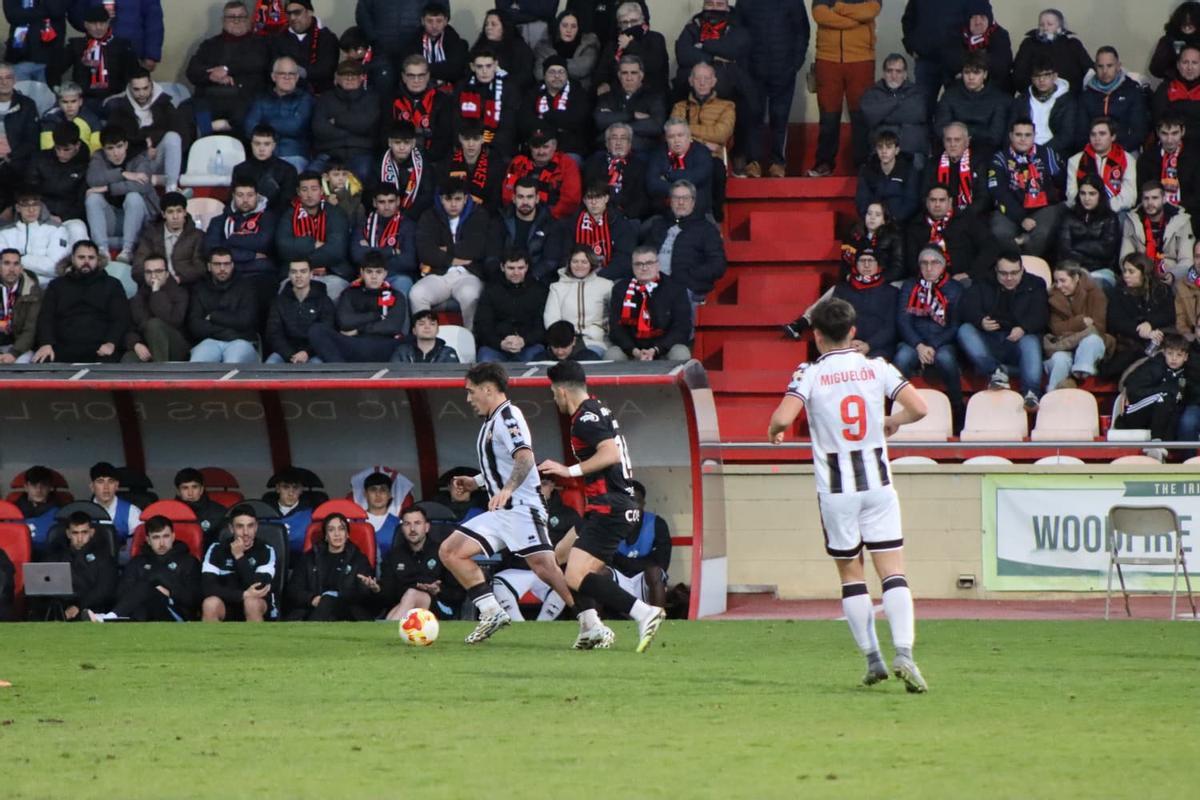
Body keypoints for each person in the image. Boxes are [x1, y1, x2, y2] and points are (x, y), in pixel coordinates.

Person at [767, 297, 929, 692]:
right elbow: (920, 408)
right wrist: (891, 421)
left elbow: (782, 417)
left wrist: (776, 432)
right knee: (893, 572)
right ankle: (904, 652)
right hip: (877, 485)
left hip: (837, 491)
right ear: (853, 332)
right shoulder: (876, 367)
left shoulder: (809, 372)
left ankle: (873, 659)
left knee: (851, 576)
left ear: (816, 335)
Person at [436, 362, 576, 643]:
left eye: (471, 391)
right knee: (450, 551)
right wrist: (476, 482)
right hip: (502, 512)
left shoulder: (509, 417)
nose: (468, 399)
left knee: (545, 569)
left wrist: (508, 490)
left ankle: (590, 618)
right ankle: (491, 611)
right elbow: (500, 466)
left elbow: (524, 458)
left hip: (524, 509)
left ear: (488, 389)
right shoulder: (492, 421)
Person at [536, 359, 667, 650]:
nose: (553, 397)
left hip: (610, 508)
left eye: (552, 391)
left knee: (576, 575)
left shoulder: (585, 417)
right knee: (558, 557)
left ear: (561, 391)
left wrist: (568, 471)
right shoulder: (597, 408)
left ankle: (644, 613)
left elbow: (609, 454)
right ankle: (590, 627)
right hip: (602, 506)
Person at [957, 247, 1050, 411]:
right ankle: (996, 372)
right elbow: (966, 307)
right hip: (989, 339)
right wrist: (980, 321)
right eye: (1004, 273)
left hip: (1018, 341)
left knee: (1030, 341)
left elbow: (1041, 315)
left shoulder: (1035, 284)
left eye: (1014, 273)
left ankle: (1031, 393)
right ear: (996, 271)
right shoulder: (983, 282)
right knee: (965, 330)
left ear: (1022, 270)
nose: (1009, 278)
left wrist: (1024, 328)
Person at [735, 0, 810, 177]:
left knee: (780, 118)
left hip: (783, 71)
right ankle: (753, 163)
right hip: (753, 71)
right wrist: (744, 65)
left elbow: (802, 32)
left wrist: (794, 64)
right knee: (753, 116)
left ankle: (778, 163)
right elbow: (738, 32)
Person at [895, 246, 966, 430]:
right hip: (914, 340)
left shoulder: (955, 288)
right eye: (924, 263)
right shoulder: (910, 286)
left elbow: (955, 325)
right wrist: (918, 345)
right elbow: (903, 320)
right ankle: (901, 408)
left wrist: (933, 345)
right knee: (901, 358)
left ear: (943, 266)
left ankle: (957, 407)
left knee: (946, 358)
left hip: (942, 340)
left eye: (934, 263)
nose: (929, 268)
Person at [808, 0, 880, 176]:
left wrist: (838, 8)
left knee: (861, 116)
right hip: (827, 59)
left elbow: (870, 10)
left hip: (861, 59)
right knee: (828, 116)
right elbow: (820, 15)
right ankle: (824, 163)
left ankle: (863, 164)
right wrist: (854, 19)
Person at [32, 240, 129, 364]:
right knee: (42, 360)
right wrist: (46, 343)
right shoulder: (57, 285)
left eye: (91, 258)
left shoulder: (112, 285)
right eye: (81, 257)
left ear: (97, 260)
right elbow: (46, 317)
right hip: (62, 347)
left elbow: (120, 318)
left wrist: (111, 343)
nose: (86, 262)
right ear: (72, 259)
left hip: (100, 349)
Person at [411, 178, 488, 330]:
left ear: (466, 199)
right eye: (448, 199)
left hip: (469, 274)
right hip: (438, 273)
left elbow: (477, 248)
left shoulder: (479, 214)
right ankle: (425, 341)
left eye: (458, 199)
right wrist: (455, 259)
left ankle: (471, 341)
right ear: (441, 199)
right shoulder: (429, 216)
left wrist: (446, 249)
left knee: (470, 295)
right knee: (417, 294)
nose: (453, 204)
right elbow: (425, 251)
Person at [92, 516, 200, 622]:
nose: (162, 543)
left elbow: (194, 598)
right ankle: (118, 619)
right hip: (142, 610)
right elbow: (121, 593)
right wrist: (152, 589)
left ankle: (111, 617)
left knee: (145, 586)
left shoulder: (189, 561)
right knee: (144, 597)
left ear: (173, 536)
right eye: (156, 537)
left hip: (176, 614)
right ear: (148, 540)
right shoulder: (137, 562)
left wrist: (170, 592)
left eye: (166, 536)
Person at [186, 1, 270, 135]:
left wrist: (225, 68)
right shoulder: (210, 45)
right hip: (211, 98)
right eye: (231, 17)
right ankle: (204, 136)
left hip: (244, 98)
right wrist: (211, 76)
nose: (236, 21)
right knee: (184, 111)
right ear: (223, 20)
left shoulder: (260, 44)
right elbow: (192, 71)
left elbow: (257, 62)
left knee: (247, 112)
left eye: (241, 17)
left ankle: (219, 130)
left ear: (248, 19)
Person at [986, 118, 1066, 257]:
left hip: (1043, 208)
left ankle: (1031, 269)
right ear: (1010, 136)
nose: (1023, 139)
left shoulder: (1047, 154)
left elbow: (1061, 181)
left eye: (1028, 135)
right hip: (1011, 209)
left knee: (1042, 234)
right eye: (1018, 135)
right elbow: (999, 193)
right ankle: (1014, 267)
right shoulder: (1000, 158)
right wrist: (1021, 217)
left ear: (1034, 136)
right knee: (1000, 232)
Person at [643, 180, 726, 312]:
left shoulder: (706, 229)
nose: (680, 202)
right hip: (654, 283)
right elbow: (643, 255)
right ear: (670, 201)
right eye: (676, 198)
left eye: (685, 198)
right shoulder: (658, 225)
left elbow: (718, 265)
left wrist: (689, 276)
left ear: (693, 202)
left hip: (687, 286)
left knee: (677, 300)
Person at [308, 252, 406, 363]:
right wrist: (377, 315)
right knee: (317, 330)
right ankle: (341, 369)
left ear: (385, 274)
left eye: (378, 272)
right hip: (353, 345)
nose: (374, 276)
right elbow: (345, 322)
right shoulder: (350, 293)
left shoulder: (396, 295)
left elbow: (392, 326)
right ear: (362, 272)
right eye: (369, 272)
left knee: (410, 340)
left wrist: (359, 330)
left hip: (384, 346)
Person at [85, 124, 159, 263]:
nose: (116, 153)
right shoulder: (98, 157)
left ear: (126, 145)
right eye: (110, 148)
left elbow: (141, 185)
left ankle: (128, 250)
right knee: (92, 198)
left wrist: (108, 188)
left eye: (119, 146)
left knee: (133, 197)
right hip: (113, 219)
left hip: (141, 220)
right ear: (104, 149)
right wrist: (123, 173)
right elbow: (93, 179)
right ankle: (102, 251)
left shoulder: (139, 158)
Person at [102, 68, 183, 193]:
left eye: (145, 88)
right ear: (129, 87)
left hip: (159, 158)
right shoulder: (119, 110)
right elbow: (113, 142)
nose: (142, 93)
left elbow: (181, 132)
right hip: (133, 165)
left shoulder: (164, 104)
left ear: (151, 85)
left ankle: (171, 190)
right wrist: (143, 148)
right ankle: (155, 180)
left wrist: (152, 140)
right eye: (137, 89)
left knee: (173, 137)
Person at [605, 246, 691, 362]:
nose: (644, 268)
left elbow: (682, 327)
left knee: (681, 353)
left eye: (649, 263)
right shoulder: (620, 289)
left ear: (658, 265)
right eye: (638, 264)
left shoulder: (675, 288)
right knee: (612, 354)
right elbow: (616, 328)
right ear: (632, 266)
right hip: (632, 349)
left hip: (665, 348)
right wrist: (634, 351)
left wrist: (656, 349)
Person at [275, 171, 352, 298]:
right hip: (296, 275)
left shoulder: (336, 213)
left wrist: (300, 248)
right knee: (287, 293)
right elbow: (283, 248)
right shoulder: (289, 215)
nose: (309, 194)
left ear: (321, 190)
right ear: (298, 192)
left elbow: (336, 250)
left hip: (330, 273)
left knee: (336, 291)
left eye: (314, 189)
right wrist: (313, 244)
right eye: (304, 190)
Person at [286, 512, 374, 621]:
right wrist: (312, 599)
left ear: (347, 534)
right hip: (314, 608)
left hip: (347, 611)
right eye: (331, 530)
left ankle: (310, 634)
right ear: (326, 536)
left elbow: (363, 595)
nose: (337, 534)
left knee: (328, 600)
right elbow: (293, 590)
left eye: (341, 529)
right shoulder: (309, 558)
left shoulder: (359, 559)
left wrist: (367, 587)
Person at [205, 179, 279, 306]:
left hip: (261, 274)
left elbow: (264, 243)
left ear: (257, 195)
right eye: (240, 195)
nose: (245, 200)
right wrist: (251, 255)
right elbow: (212, 251)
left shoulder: (269, 217)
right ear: (233, 196)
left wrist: (230, 240)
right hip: (230, 275)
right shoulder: (219, 221)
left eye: (250, 195)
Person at [1102, 253, 1176, 380]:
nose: (1126, 275)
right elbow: (1116, 321)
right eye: (1125, 271)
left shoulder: (1162, 290)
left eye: (1131, 271)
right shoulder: (1118, 292)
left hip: (1160, 338)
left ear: (1144, 272)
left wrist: (1150, 324)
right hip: (1129, 342)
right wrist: (1140, 331)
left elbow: (1169, 314)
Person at [50, 6, 137, 113]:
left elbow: (134, 75)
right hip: (84, 100)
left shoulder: (122, 46)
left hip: (115, 99)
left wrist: (123, 95)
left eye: (102, 23)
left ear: (108, 23)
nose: (98, 28)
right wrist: (59, 91)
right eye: (94, 23)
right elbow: (54, 69)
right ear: (86, 24)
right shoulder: (76, 45)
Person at [904, 184, 997, 282]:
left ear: (950, 201)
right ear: (926, 202)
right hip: (926, 279)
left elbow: (990, 247)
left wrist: (969, 273)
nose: (937, 204)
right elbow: (911, 261)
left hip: (962, 279)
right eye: (933, 200)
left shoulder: (967, 220)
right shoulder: (915, 225)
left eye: (942, 200)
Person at [200, 504, 277, 622]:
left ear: (256, 527)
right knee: (210, 604)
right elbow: (208, 588)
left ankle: (257, 640)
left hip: (257, 605)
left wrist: (239, 556)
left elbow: (258, 588)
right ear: (231, 528)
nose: (246, 532)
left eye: (250, 526)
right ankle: (212, 641)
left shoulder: (266, 550)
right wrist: (242, 595)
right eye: (240, 526)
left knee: (251, 603)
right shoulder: (216, 549)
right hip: (226, 605)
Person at [670, 61, 731, 211]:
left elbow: (721, 135)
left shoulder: (727, 106)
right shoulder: (679, 107)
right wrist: (703, 144)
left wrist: (686, 130)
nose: (702, 83)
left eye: (707, 78)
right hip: (683, 156)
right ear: (691, 81)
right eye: (698, 78)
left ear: (714, 81)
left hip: (713, 156)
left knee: (715, 169)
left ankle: (714, 215)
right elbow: (672, 133)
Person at [1113, 333, 1190, 451]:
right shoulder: (1153, 367)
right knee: (1163, 397)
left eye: (1179, 355)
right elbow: (1133, 392)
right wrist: (1164, 390)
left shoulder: (1184, 376)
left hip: (1157, 416)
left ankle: (1162, 450)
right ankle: (1155, 443)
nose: (1174, 358)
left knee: (1172, 406)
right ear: (1164, 353)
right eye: (1170, 354)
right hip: (1133, 413)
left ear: (1185, 357)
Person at [1043, 262, 1112, 391]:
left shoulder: (1095, 294)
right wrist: (1080, 322)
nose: (1059, 286)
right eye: (1056, 281)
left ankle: (1077, 377)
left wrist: (1071, 330)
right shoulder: (1053, 297)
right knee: (1059, 359)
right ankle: (1051, 398)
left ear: (1076, 278)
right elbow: (1056, 329)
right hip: (1064, 346)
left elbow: (1098, 327)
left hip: (1089, 346)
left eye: (1063, 281)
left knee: (1092, 340)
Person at [39, 511, 117, 621]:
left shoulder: (104, 556)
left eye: (84, 532)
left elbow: (104, 589)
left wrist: (79, 606)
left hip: (93, 609)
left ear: (92, 532)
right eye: (75, 533)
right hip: (61, 608)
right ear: (68, 534)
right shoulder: (55, 555)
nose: (80, 538)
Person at [309, 60, 380, 181]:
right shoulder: (325, 98)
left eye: (354, 75)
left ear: (362, 77)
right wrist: (352, 131)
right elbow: (319, 128)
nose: (349, 79)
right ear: (337, 77)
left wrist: (337, 121)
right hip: (329, 153)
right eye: (345, 75)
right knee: (310, 176)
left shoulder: (371, 98)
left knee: (363, 174)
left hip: (360, 153)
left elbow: (366, 124)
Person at [188, 248, 260, 364]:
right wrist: (227, 330)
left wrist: (213, 316)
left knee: (233, 362)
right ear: (209, 266)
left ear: (232, 265)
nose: (222, 268)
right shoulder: (199, 288)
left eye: (226, 264)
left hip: (241, 341)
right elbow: (195, 325)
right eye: (217, 264)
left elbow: (245, 321)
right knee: (197, 363)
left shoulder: (246, 286)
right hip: (210, 341)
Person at [473, 250, 548, 363]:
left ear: (527, 267)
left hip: (529, 346)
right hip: (496, 347)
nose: (516, 272)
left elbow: (542, 326)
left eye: (520, 268)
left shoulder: (539, 290)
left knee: (537, 360)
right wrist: (500, 343)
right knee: (486, 363)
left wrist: (524, 341)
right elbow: (482, 325)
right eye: (511, 268)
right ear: (502, 267)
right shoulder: (490, 290)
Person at [243, 56, 314, 173]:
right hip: (263, 155)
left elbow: (295, 127)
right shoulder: (261, 98)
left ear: (297, 77)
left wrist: (264, 126)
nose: (287, 77)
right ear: (273, 77)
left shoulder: (305, 99)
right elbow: (249, 128)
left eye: (291, 74)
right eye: (282, 73)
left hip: (294, 155)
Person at [901, 0, 970, 120]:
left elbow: (977, 19)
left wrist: (966, 55)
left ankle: (952, 139)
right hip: (926, 60)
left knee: (957, 110)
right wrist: (912, 47)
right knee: (923, 110)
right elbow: (908, 20)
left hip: (956, 62)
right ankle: (924, 139)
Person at [373, 506, 446, 620]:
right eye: (407, 524)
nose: (412, 529)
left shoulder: (442, 552)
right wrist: (377, 589)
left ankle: (387, 634)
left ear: (426, 527)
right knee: (399, 607)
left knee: (412, 594)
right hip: (405, 603)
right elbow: (388, 596)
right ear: (402, 528)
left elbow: (458, 593)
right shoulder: (393, 556)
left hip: (440, 606)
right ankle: (389, 633)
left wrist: (439, 590)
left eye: (417, 523)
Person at [1120, 180, 1196, 284]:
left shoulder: (1182, 221)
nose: (1150, 203)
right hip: (1139, 275)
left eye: (1155, 198)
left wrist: (1173, 275)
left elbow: (1187, 260)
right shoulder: (1131, 220)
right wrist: (1139, 274)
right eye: (1146, 198)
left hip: (1171, 274)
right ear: (1141, 200)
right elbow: (1125, 257)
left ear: (1164, 199)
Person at [859, 54, 929, 166]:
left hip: (911, 149)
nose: (893, 75)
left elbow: (917, 114)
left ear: (905, 74)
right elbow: (870, 116)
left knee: (918, 164)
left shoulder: (916, 92)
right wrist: (898, 100)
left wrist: (883, 113)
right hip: (883, 150)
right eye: (889, 71)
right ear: (883, 73)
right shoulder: (873, 92)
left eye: (898, 71)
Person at [933, 54, 1008, 159]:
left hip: (986, 153)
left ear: (985, 74)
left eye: (976, 73)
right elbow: (940, 128)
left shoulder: (998, 98)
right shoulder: (950, 95)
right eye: (967, 72)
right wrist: (976, 133)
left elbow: (996, 136)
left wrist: (961, 133)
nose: (971, 77)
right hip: (953, 152)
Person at [543, 247, 612, 359]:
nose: (579, 265)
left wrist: (597, 332)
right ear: (569, 263)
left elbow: (612, 318)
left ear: (591, 263)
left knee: (587, 358)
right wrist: (565, 339)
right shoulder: (557, 287)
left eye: (584, 262)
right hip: (564, 343)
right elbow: (551, 319)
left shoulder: (606, 286)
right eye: (575, 261)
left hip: (594, 342)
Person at [558, 181, 636, 281]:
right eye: (589, 198)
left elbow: (623, 259)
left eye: (598, 197)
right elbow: (565, 255)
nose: (593, 202)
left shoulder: (620, 223)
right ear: (584, 200)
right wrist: (579, 274)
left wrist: (596, 278)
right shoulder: (573, 224)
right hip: (576, 276)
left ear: (606, 198)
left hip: (610, 278)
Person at [501, 128, 582, 222]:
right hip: (520, 215)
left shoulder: (567, 164)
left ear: (554, 146)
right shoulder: (518, 162)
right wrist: (522, 214)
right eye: (536, 147)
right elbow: (507, 194)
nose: (541, 152)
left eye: (545, 147)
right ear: (530, 147)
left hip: (554, 219)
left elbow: (571, 200)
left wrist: (549, 217)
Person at [830, 248, 897, 360]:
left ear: (878, 265)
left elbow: (891, 327)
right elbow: (835, 320)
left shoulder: (891, 292)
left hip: (879, 348)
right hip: (847, 345)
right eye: (862, 261)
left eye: (871, 261)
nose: (866, 265)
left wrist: (869, 345)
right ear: (855, 264)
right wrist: (848, 341)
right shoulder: (842, 290)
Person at [452, 46, 520, 158]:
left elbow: (509, 125)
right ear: (472, 67)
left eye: (488, 66)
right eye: (479, 66)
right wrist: (472, 143)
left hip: (499, 148)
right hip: (468, 145)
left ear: (495, 65)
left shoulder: (509, 88)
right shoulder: (462, 87)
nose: (484, 71)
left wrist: (486, 143)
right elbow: (456, 121)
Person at [1080, 47, 1150, 156]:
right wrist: (1096, 150)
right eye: (1100, 66)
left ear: (1118, 66)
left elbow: (1139, 131)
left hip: (1126, 149)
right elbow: (1081, 131)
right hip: (1093, 150)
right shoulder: (1087, 93)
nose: (1104, 71)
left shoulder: (1132, 90)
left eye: (1109, 66)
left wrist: (1115, 151)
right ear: (1095, 67)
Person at [350, 183, 418, 294]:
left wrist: (370, 251)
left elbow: (409, 261)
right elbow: (357, 256)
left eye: (391, 201)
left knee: (403, 283)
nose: (387, 207)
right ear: (374, 203)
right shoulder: (363, 224)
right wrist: (391, 251)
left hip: (396, 276)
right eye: (382, 202)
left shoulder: (408, 225)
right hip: (367, 277)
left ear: (398, 201)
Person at [592, 54, 666, 154]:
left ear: (641, 75)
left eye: (634, 73)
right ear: (619, 75)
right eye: (624, 73)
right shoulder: (608, 96)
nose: (629, 77)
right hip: (607, 152)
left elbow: (656, 126)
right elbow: (600, 120)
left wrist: (616, 122)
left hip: (641, 153)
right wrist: (632, 115)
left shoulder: (654, 97)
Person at [520, 55, 591, 159]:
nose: (557, 76)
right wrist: (559, 124)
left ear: (567, 75)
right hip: (538, 147)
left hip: (569, 149)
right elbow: (525, 122)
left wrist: (544, 117)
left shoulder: (578, 93)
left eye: (561, 72)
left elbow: (577, 120)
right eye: (552, 72)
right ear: (544, 75)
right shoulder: (533, 93)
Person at [264, 259, 334, 364]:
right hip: (284, 353)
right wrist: (290, 355)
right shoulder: (279, 301)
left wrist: (307, 353)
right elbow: (273, 333)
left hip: (315, 353)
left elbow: (327, 331)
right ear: (289, 275)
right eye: (294, 272)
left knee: (317, 368)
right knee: (269, 366)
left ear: (311, 274)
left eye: (303, 271)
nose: (298, 275)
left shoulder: (324, 300)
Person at [1138, 115, 1200, 232]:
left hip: (1189, 214)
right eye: (1165, 134)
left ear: (1183, 131)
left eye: (1174, 133)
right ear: (1157, 133)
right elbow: (1142, 192)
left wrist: (1178, 209)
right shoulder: (1146, 159)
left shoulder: (1195, 157)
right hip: (1155, 213)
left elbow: (1198, 196)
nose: (1169, 140)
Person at [593, 2, 669, 98]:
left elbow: (654, 65)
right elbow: (601, 72)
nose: (629, 26)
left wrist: (630, 45)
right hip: (618, 94)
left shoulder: (655, 38)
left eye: (633, 21)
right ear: (619, 25)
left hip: (650, 93)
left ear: (642, 21)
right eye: (625, 22)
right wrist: (603, 83)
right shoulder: (613, 44)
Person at [488, 176, 557, 281]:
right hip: (504, 279)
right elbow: (491, 257)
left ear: (537, 198)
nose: (525, 202)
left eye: (530, 197)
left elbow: (550, 261)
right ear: (514, 198)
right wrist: (507, 277)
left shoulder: (549, 223)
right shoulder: (500, 220)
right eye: (521, 197)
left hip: (536, 281)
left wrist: (528, 278)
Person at [27, 122, 91, 235]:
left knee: (78, 231)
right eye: (57, 148)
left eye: (66, 150)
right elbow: (30, 191)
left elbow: (81, 202)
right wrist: (45, 214)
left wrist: (64, 217)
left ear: (77, 145)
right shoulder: (40, 160)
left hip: (71, 218)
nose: (61, 154)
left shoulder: (85, 166)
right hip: (39, 215)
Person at [1057, 174, 1122, 285]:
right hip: (1072, 271)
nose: (1086, 198)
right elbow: (1064, 250)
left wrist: (1077, 246)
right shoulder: (1068, 216)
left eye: (1092, 194)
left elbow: (1106, 251)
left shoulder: (1110, 217)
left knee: (1094, 286)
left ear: (1100, 195)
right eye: (1083, 193)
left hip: (1101, 271)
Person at [0, 189, 73, 287]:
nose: (31, 210)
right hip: (12, 287)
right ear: (18, 208)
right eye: (26, 205)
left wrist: (22, 259)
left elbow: (57, 267)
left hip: (48, 287)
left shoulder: (56, 229)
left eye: (35, 204)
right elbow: (3, 268)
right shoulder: (4, 233)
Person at [123, 253, 188, 363]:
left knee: (154, 324)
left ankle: (159, 373)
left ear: (167, 274)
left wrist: (156, 293)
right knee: (128, 359)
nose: (153, 276)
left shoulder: (180, 294)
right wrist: (135, 344)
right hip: (148, 345)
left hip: (176, 347)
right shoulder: (138, 298)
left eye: (158, 271)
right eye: (148, 272)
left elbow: (174, 321)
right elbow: (128, 327)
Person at [1011, 8, 1093, 95]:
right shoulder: (1028, 44)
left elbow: (1089, 71)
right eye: (1041, 25)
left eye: (1049, 24)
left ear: (1060, 26)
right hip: (1035, 98)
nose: (1045, 28)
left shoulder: (1073, 45)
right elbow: (1018, 74)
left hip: (1069, 99)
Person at [1010, 59, 1080, 160]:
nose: (1041, 80)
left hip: (1055, 153)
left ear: (1055, 76)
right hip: (1022, 150)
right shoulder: (1022, 100)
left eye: (1046, 75)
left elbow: (1066, 136)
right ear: (1032, 78)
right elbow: (1011, 130)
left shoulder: (1068, 100)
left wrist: (1039, 152)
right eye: (1037, 76)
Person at [389, 56, 453, 163]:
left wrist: (424, 160)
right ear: (404, 77)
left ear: (428, 76)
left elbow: (444, 138)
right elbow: (386, 133)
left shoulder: (442, 100)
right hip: (398, 159)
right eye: (411, 76)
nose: (416, 80)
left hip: (432, 161)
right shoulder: (391, 99)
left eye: (421, 75)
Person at [1067, 117, 1137, 214]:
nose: (1097, 138)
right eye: (1093, 134)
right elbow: (1071, 194)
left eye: (1102, 134)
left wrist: (1103, 208)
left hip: (1115, 211)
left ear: (1113, 137)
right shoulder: (1075, 161)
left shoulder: (1127, 160)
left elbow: (1129, 196)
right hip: (1083, 210)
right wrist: (1089, 207)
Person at [132, 192, 204, 286]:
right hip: (155, 285)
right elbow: (138, 268)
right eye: (170, 212)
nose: (175, 217)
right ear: (163, 214)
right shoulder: (150, 235)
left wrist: (180, 279)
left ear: (185, 212)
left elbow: (201, 268)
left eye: (179, 211)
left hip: (186, 286)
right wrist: (156, 279)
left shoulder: (197, 236)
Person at [646, 119, 713, 219]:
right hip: (665, 214)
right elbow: (652, 185)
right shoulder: (658, 154)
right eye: (671, 137)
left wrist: (668, 174)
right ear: (666, 139)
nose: (676, 140)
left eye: (680, 135)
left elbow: (695, 178)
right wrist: (682, 190)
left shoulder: (702, 152)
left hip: (698, 213)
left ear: (689, 137)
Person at [942, 0, 1013, 94]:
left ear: (989, 18)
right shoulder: (956, 35)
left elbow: (1001, 68)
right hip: (961, 91)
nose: (978, 22)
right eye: (973, 17)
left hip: (995, 91)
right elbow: (951, 63)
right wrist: (985, 63)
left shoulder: (1000, 35)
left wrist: (965, 67)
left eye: (982, 17)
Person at [267, 0, 338, 94]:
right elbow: (273, 68)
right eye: (289, 13)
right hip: (287, 95)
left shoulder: (327, 37)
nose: (292, 18)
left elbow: (326, 70)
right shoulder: (278, 39)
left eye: (297, 12)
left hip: (320, 96)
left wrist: (298, 71)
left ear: (309, 12)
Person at [69, 0, 163, 71]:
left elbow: (154, 21)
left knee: (132, 93)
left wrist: (151, 55)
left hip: (133, 52)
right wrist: (95, 19)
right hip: (96, 53)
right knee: (95, 91)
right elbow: (76, 15)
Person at [583, 123, 647, 221]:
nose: (618, 142)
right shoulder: (593, 162)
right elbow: (589, 191)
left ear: (630, 144)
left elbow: (640, 199)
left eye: (623, 138)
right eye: (614, 138)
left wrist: (626, 216)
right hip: (596, 214)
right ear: (607, 144)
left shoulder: (639, 166)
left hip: (627, 217)